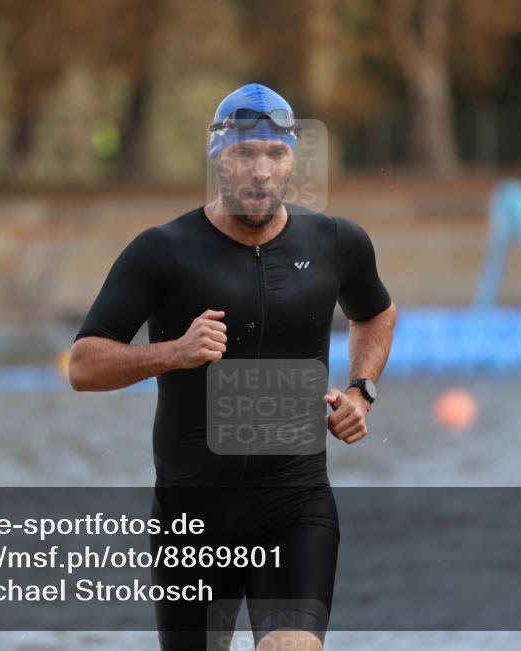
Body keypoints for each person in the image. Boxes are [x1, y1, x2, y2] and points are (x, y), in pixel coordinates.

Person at [69, 83, 396, 651]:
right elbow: (83, 365)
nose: (261, 171)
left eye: (276, 154)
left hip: (295, 502)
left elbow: (377, 313)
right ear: (218, 157)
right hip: (192, 512)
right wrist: (173, 352)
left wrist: (360, 390)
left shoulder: (337, 243)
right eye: (245, 153)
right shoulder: (163, 250)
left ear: (293, 159)